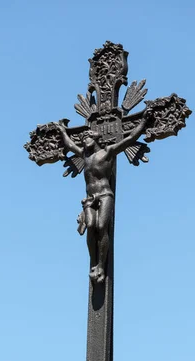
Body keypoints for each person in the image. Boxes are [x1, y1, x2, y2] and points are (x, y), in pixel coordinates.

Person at [57, 109, 153, 284]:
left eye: (87, 138)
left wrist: (143, 123)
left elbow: (129, 140)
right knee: (91, 226)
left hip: (104, 194)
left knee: (102, 226)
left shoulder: (107, 152)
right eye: (83, 139)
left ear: (95, 139)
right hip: (89, 198)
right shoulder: (85, 156)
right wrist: (63, 131)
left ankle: (101, 264)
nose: (84, 141)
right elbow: (70, 145)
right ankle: (93, 262)